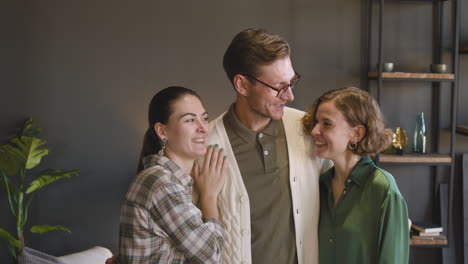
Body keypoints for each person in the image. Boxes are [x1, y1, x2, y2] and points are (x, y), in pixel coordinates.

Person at [206, 28, 332, 264]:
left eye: (292, 81)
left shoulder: (309, 130)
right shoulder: (207, 146)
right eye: (279, 87)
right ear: (242, 85)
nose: (290, 95)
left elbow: (345, 184)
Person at [118, 86, 227, 264]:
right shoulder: (161, 183)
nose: (203, 128)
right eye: (190, 120)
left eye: (204, 119)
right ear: (162, 131)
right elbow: (210, 255)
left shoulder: (171, 180)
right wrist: (209, 196)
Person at [301, 87, 409, 264]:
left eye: (326, 123)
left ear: (356, 133)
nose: (314, 131)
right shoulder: (321, 185)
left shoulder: (383, 189)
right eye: (316, 122)